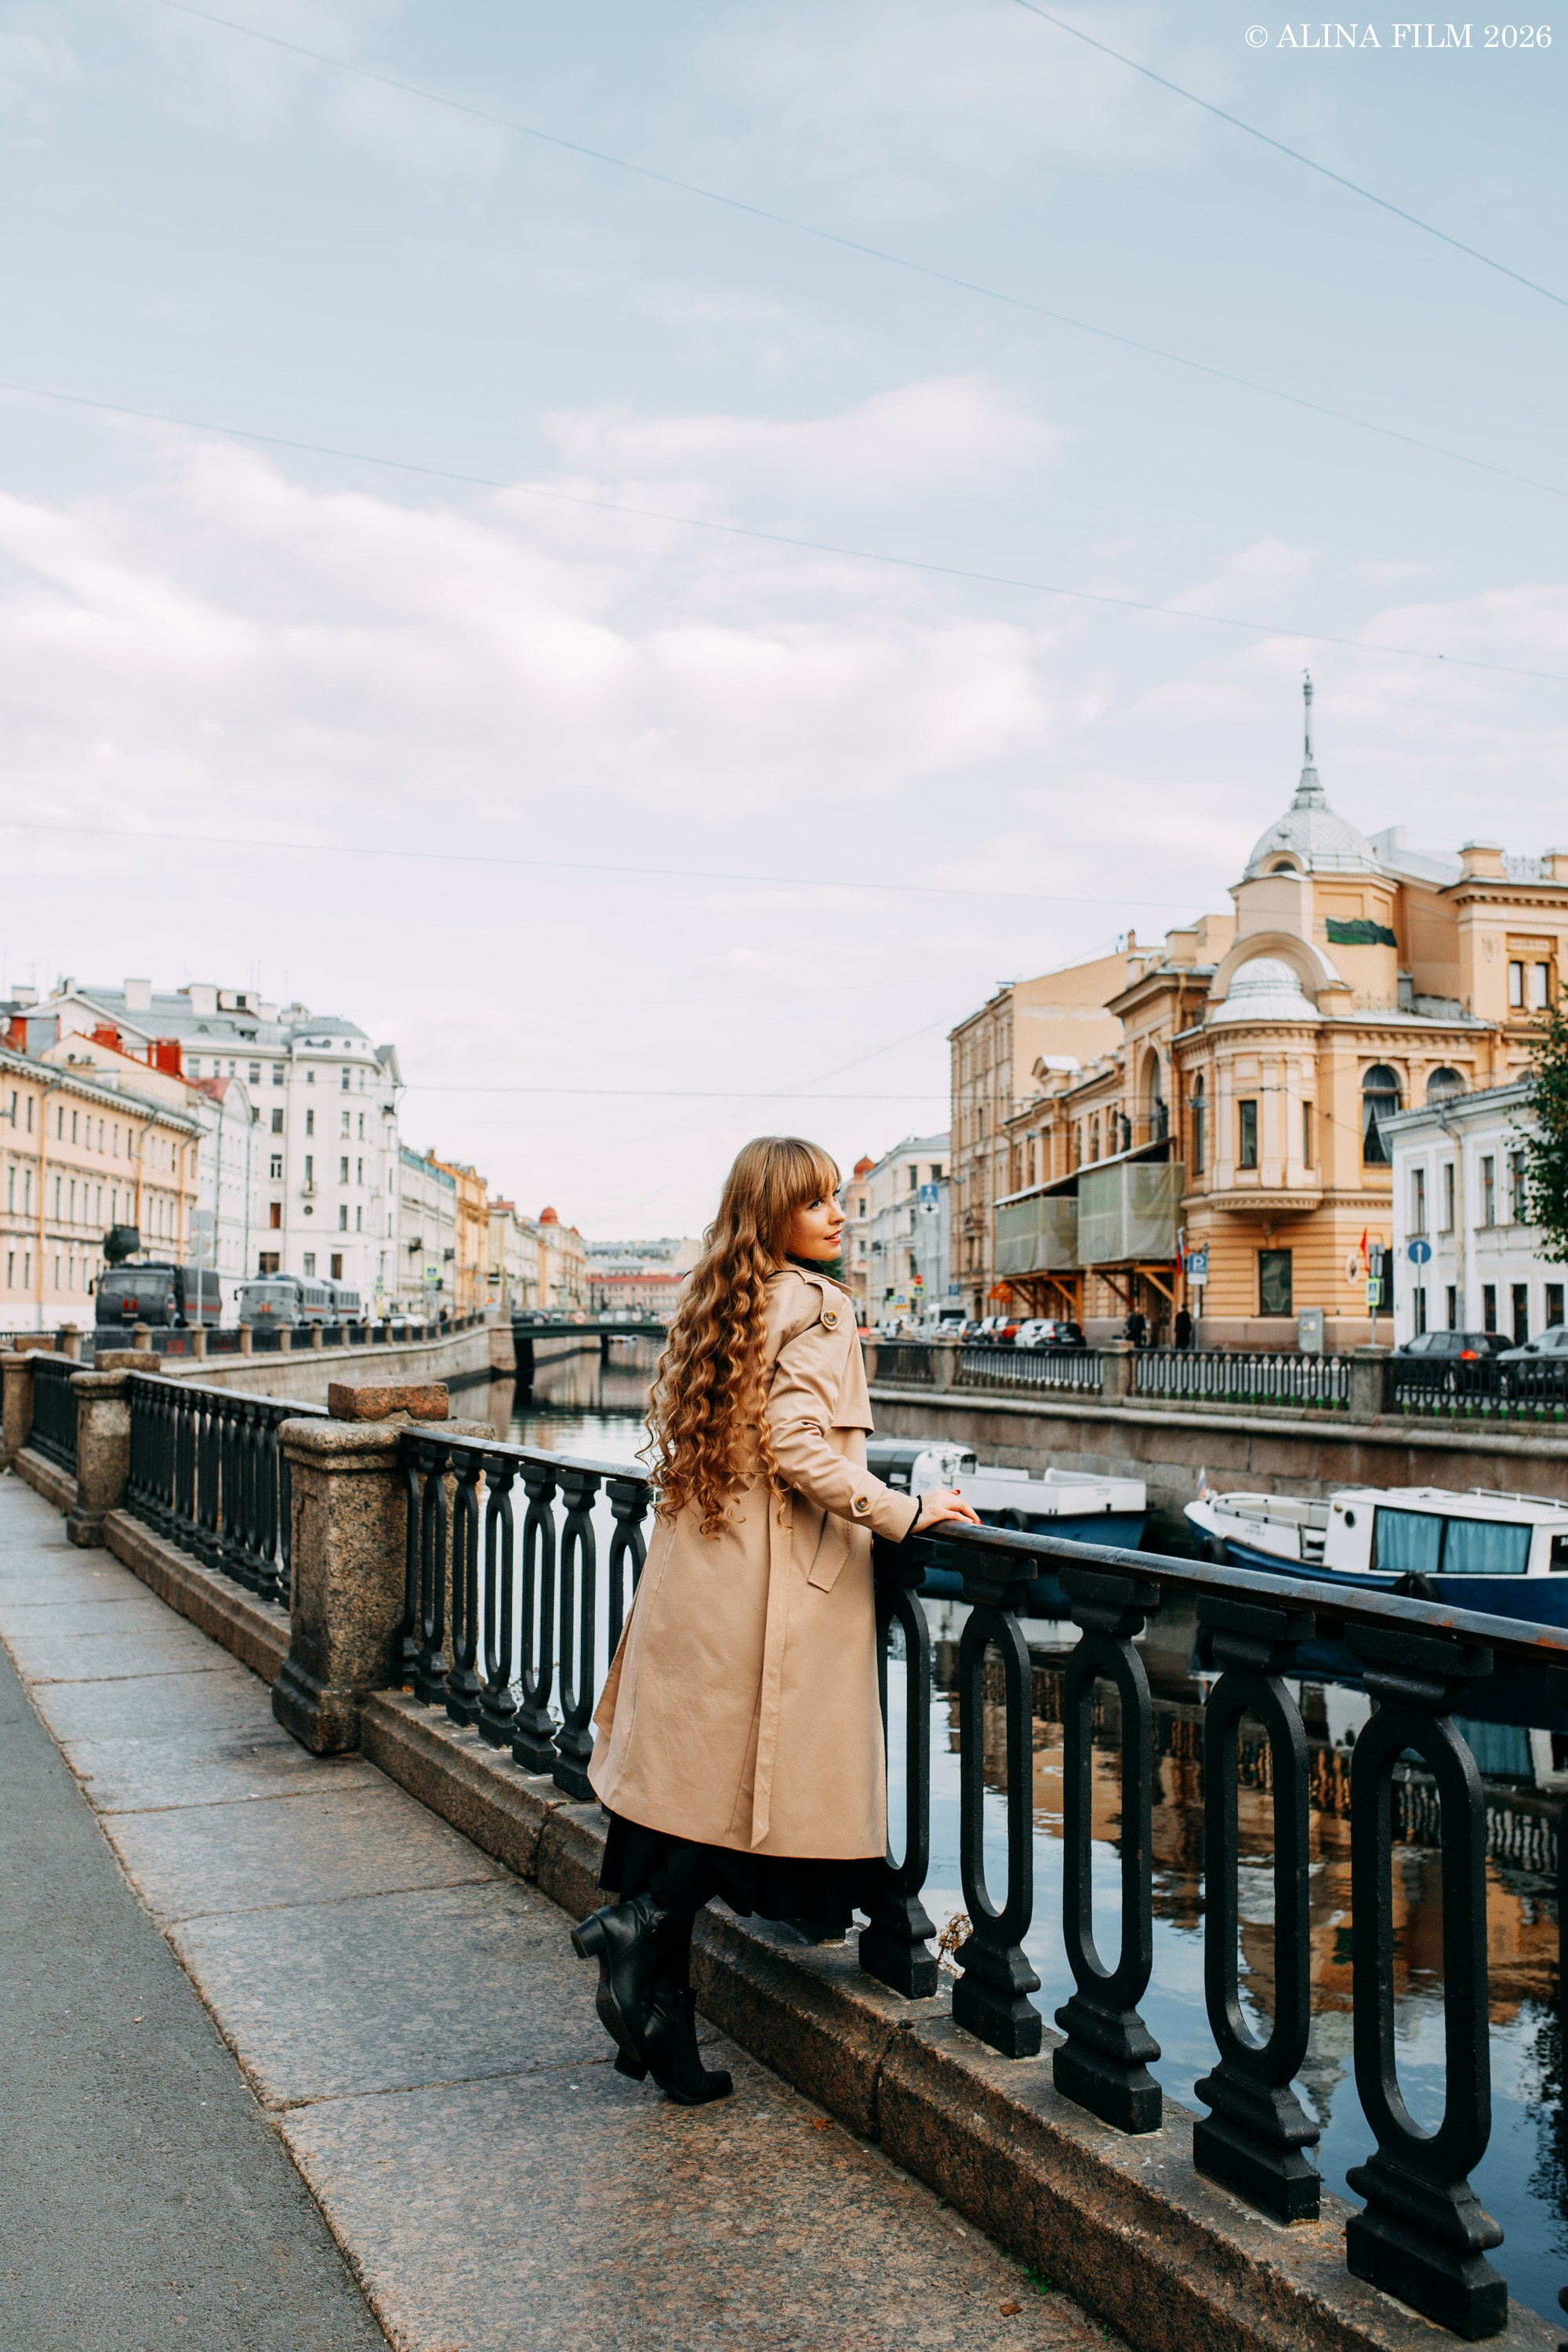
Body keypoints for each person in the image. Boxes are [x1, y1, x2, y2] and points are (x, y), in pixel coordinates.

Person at [572, 1137, 979, 2106]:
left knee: (685, 1793)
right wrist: (903, 1511)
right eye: (816, 1204)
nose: (837, 1217)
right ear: (773, 1216)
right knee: (755, 1789)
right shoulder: (821, 1305)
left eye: (837, 1199)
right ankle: (640, 1925)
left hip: (700, 1580)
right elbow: (795, 1441)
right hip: (776, 1593)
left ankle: (665, 2032)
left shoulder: (724, 1297)